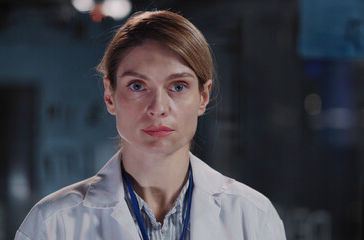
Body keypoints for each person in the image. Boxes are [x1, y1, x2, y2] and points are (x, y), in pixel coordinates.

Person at [15, 10, 286, 240]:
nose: (158, 108)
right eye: (137, 86)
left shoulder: (252, 217)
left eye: (178, 87)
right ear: (110, 96)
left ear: (203, 97)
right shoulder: (53, 224)